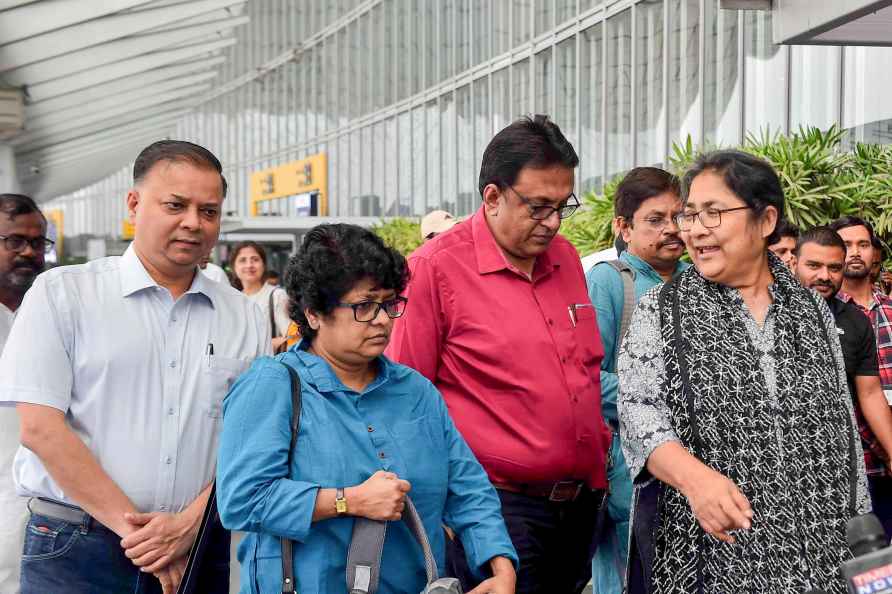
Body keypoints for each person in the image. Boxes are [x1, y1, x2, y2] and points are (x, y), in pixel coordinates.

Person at [0, 140, 270, 594]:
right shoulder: (64, 295)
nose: (192, 222)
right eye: (175, 205)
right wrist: (145, 537)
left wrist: (187, 525)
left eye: (209, 211)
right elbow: (41, 429)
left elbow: (251, 440)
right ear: (133, 203)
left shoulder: (242, 316)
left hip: (196, 546)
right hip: (74, 548)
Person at [217, 223, 518, 594]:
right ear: (313, 314)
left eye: (390, 304)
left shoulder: (415, 390)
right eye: (363, 306)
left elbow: (469, 489)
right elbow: (241, 500)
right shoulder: (273, 385)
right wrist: (347, 501)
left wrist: (500, 568)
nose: (381, 319)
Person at [619, 150, 868, 594]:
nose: (694, 230)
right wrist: (696, 481)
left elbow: (842, 431)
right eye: (690, 215)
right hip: (714, 553)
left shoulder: (811, 310)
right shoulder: (661, 310)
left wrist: (862, 542)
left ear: (766, 220)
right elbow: (639, 418)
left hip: (819, 552)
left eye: (713, 213)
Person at [387, 115, 611, 594]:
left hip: (578, 507)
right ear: (492, 197)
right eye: (537, 206)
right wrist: (444, 515)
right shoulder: (433, 270)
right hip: (494, 510)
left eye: (561, 206)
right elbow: (404, 400)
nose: (551, 221)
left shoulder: (567, 258)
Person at [585, 167, 689, 594]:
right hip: (628, 468)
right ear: (623, 227)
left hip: (696, 467)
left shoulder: (701, 283)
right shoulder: (610, 282)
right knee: (629, 577)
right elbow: (589, 378)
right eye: (655, 219)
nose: (671, 229)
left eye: (678, 217)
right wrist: (665, 401)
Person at [794, 226, 892, 535]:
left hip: (848, 469)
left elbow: (870, 394)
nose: (825, 275)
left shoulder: (854, 320)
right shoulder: (768, 312)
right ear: (793, 262)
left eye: (834, 267)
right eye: (814, 266)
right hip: (788, 470)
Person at [831, 215, 892, 538]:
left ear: (875, 253)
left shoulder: (890, 309)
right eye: (845, 245)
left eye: (863, 244)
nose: (855, 252)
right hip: (855, 465)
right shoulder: (824, 314)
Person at [0, 194, 49, 594]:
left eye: (38, 243)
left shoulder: (56, 309)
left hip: (47, 504)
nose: (29, 252)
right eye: (14, 241)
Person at [229, 241, 291, 352]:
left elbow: (292, 337)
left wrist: (263, 346)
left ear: (264, 265)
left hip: (268, 366)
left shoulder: (276, 296)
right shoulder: (232, 300)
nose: (249, 265)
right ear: (234, 267)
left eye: (255, 259)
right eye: (243, 260)